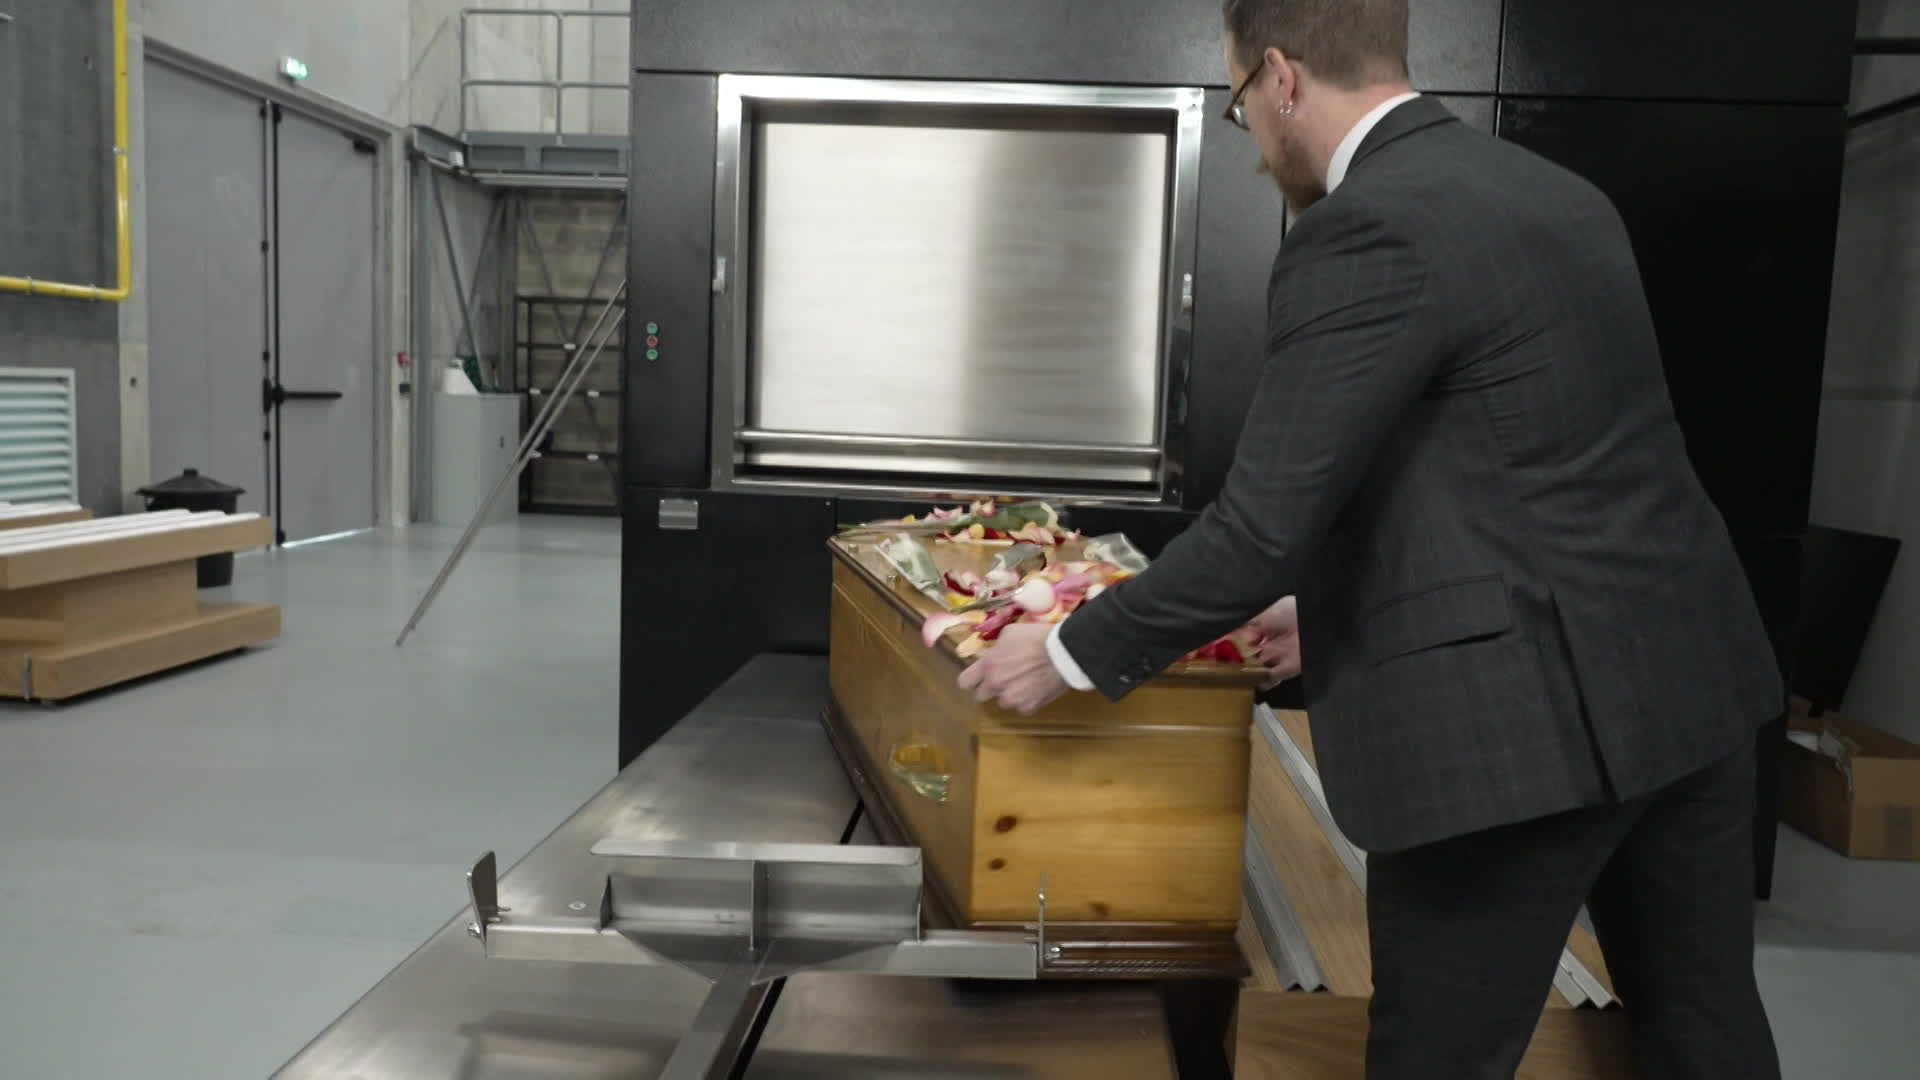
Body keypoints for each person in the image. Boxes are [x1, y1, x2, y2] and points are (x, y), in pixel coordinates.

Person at [958, 0, 1785, 1075]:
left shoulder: (1364, 228)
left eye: (1241, 103)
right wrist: (1331, 609)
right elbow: (1522, 470)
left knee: (1435, 1059)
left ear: (1282, 77)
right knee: (1707, 1034)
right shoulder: (1557, 194)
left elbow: (1255, 532)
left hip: (1511, 741)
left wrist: (1067, 651)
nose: (1253, 137)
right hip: (1692, 684)